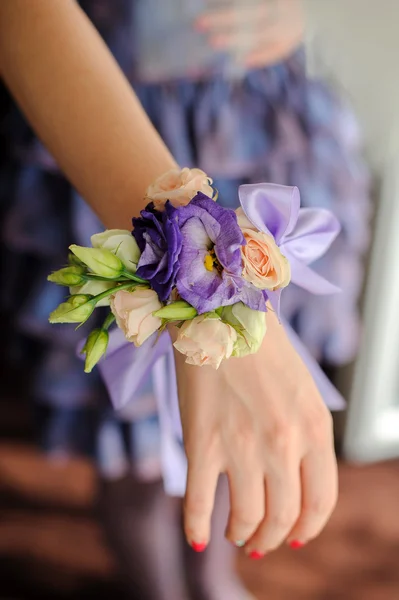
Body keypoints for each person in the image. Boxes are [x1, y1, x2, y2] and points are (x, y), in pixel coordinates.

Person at [0, 1, 369, 599]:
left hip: (262, 119)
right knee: (132, 441)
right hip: (101, 116)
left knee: (239, 438)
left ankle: (212, 575)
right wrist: (220, 303)